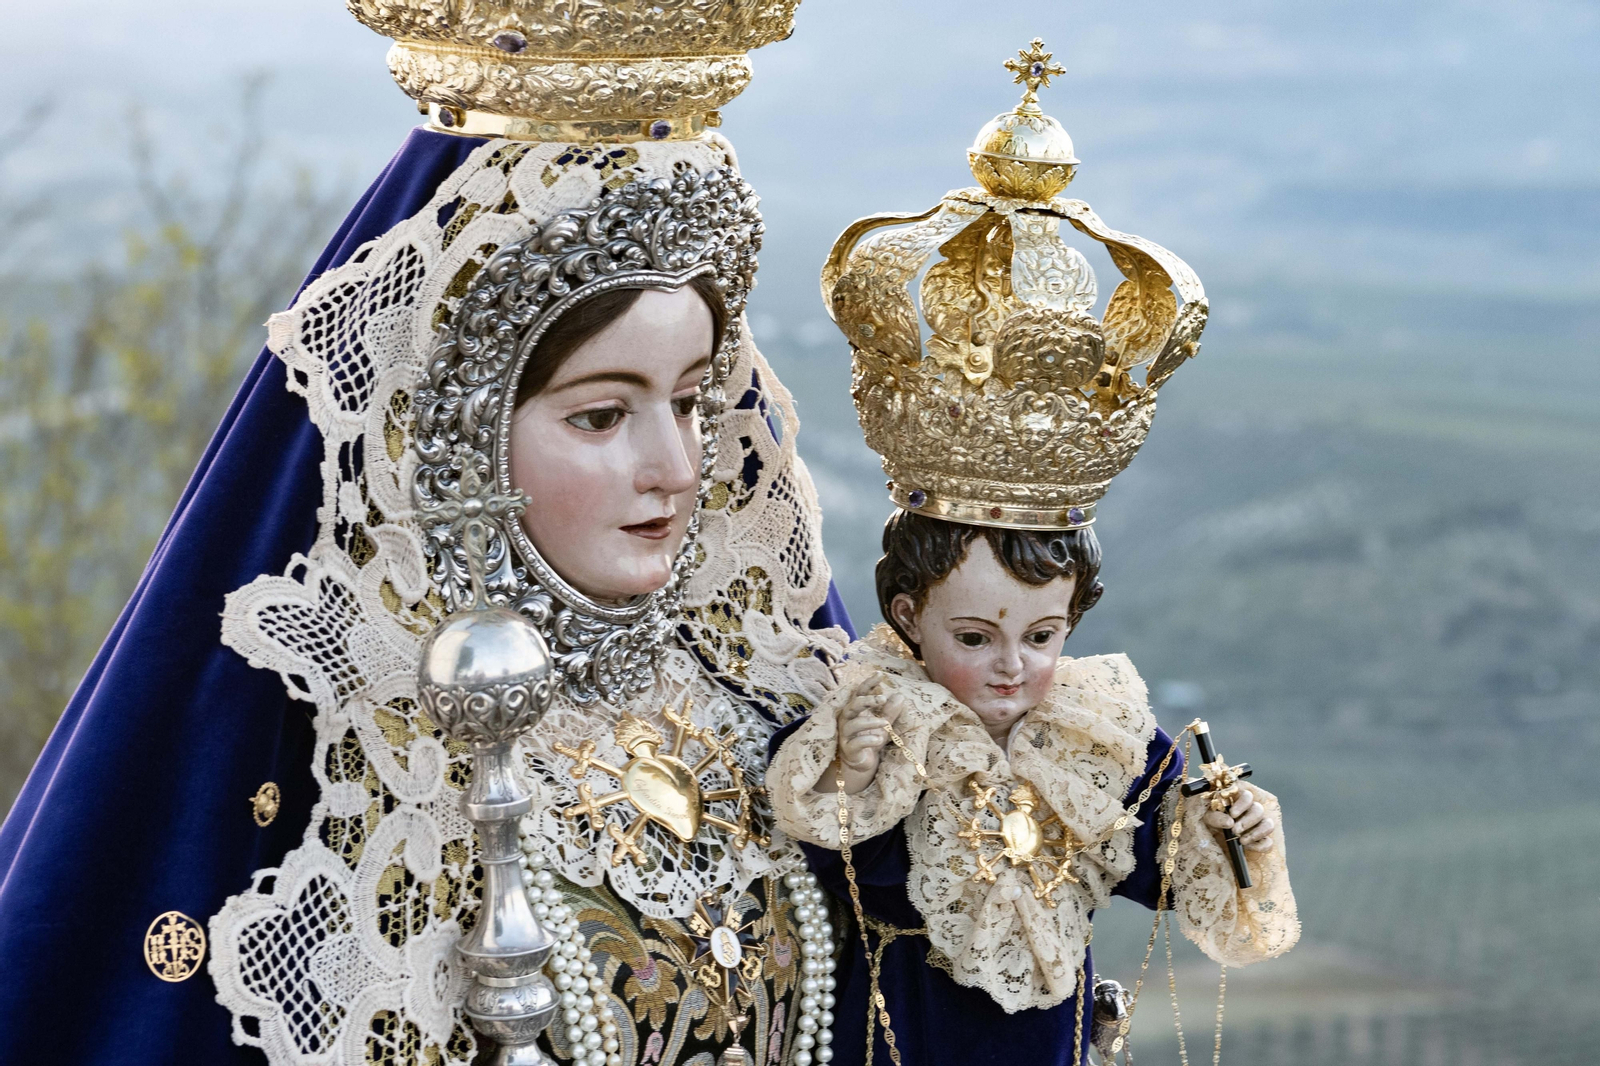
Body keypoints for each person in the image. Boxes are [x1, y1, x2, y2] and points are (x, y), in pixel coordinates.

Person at [0, 7, 859, 1066]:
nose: (679, 468)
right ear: (457, 434)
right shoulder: (365, 762)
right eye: (601, 415)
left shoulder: (769, 692)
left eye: (691, 401)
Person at [767, 40, 1300, 1065]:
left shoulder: (1096, 735)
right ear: (907, 615)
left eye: (1043, 634)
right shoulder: (872, 729)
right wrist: (860, 788)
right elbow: (821, 861)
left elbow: (1168, 868)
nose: (1014, 667)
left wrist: (1237, 835)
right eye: (975, 635)